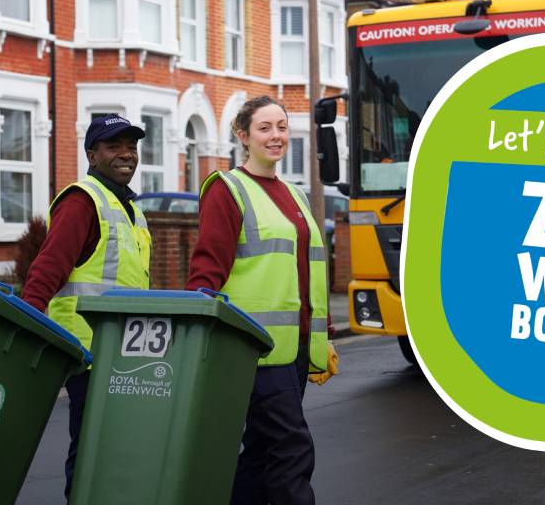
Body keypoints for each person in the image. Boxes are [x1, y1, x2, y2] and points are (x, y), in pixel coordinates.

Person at [185, 96, 331, 505]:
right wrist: (197, 335)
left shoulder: (295, 195)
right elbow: (207, 267)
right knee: (292, 447)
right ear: (242, 135)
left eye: (282, 127)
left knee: (263, 452)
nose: (276, 136)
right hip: (255, 349)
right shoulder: (228, 189)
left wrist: (325, 333)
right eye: (265, 128)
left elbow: (305, 270)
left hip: (295, 347)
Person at [22, 114, 150, 500]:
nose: (127, 154)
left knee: (114, 452)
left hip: (126, 355)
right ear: (92, 155)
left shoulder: (131, 209)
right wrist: (28, 325)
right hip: (90, 355)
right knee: (93, 452)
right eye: (115, 146)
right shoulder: (83, 201)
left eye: (132, 147)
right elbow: (47, 268)